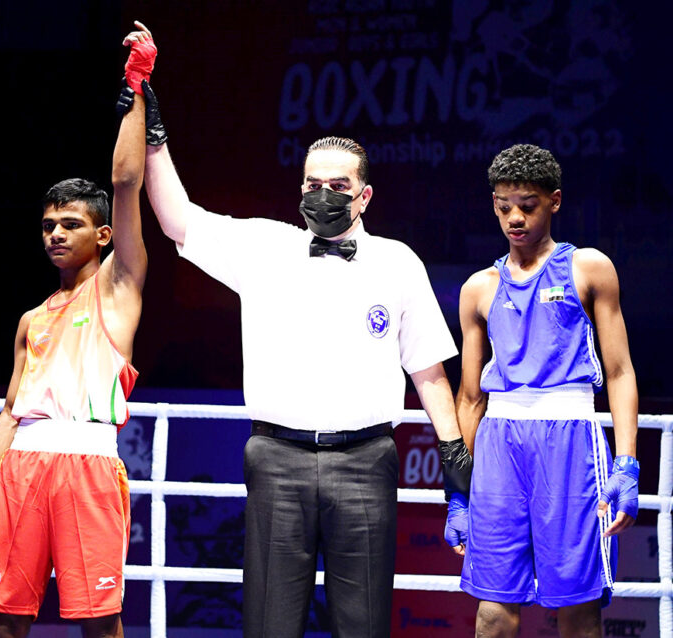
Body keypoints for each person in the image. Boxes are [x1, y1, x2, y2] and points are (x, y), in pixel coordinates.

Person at [137, 39, 471, 638]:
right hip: (277, 459)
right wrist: (153, 138)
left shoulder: (398, 262)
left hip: (367, 461)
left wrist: (457, 475)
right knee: (269, 626)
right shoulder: (264, 246)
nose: (322, 193)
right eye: (312, 183)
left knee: (363, 628)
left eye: (337, 186)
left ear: (364, 195)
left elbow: (430, 377)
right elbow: (174, 218)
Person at [0, 22, 153, 638]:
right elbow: (8, 411)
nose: (55, 233)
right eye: (48, 223)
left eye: (70, 224)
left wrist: (138, 88)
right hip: (21, 465)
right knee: (1, 623)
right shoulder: (31, 319)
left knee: (100, 624)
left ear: (101, 236)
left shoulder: (118, 288)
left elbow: (126, 183)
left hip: (87, 463)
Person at [450, 144, 639, 638]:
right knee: (493, 610)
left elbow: (619, 372)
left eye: (527, 206)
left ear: (554, 201)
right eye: (503, 206)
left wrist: (627, 464)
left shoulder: (590, 268)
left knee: (577, 609)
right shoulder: (479, 288)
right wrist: (458, 494)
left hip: (571, 441)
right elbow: (470, 398)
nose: (514, 218)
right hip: (499, 443)